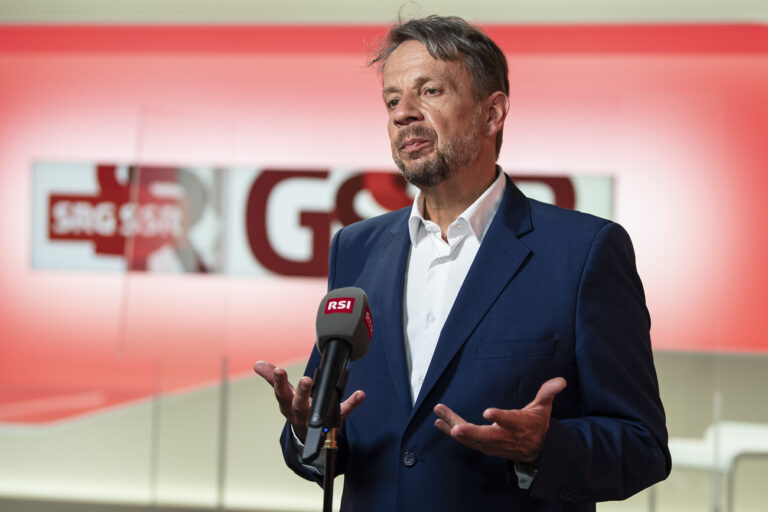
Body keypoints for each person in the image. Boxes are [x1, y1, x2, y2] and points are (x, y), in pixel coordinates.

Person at [254, 15, 670, 512]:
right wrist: (307, 429)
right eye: (391, 101)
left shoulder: (584, 251)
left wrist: (542, 448)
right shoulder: (355, 248)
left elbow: (641, 445)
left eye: (429, 91)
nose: (403, 113)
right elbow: (328, 442)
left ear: (492, 113)